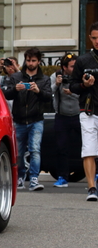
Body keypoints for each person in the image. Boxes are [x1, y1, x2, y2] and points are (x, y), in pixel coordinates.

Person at [3, 47, 52, 191]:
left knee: (35, 149)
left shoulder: (44, 79)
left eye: (33, 61)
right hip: (19, 120)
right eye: (28, 60)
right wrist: (15, 89)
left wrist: (38, 91)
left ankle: (34, 179)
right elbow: (6, 94)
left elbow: (49, 98)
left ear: (39, 61)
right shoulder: (17, 77)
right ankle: (19, 177)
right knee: (18, 152)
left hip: (36, 119)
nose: (30, 63)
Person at [70, 22, 98, 200]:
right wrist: (84, 84)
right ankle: (91, 188)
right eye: (94, 38)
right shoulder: (83, 60)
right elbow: (72, 86)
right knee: (88, 149)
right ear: (90, 38)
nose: (97, 41)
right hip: (88, 110)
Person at [50, 54, 80, 188]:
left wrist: (73, 92)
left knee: (89, 146)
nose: (75, 68)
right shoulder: (56, 76)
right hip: (62, 116)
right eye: (72, 66)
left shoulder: (80, 76)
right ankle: (63, 177)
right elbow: (47, 92)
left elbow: (88, 93)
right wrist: (57, 84)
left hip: (79, 115)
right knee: (61, 147)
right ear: (64, 67)